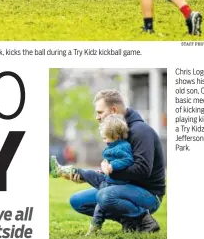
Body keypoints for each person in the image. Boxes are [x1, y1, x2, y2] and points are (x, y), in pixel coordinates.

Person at [68, 90, 165, 234]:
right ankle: (129, 222)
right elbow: (117, 168)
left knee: (105, 195)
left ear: (113, 110)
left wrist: (111, 171)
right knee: (77, 201)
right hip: (121, 188)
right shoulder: (115, 132)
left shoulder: (141, 131)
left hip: (149, 195)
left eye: (100, 112)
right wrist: (94, 177)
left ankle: (144, 221)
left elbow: (143, 170)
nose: (97, 117)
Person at [51, 115, 134, 236]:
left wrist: (112, 166)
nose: (104, 140)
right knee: (89, 173)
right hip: (107, 178)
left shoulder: (123, 146)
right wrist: (103, 169)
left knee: (100, 206)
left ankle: (95, 228)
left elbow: (128, 160)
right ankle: (62, 171)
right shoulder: (113, 145)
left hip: (114, 183)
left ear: (115, 136)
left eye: (105, 137)